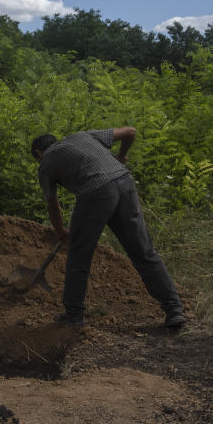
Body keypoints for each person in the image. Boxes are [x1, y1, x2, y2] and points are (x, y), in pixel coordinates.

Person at [30, 127, 187, 329]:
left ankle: (74, 316)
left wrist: (60, 231)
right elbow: (131, 132)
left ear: (39, 154)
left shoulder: (45, 165)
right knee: (143, 251)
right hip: (125, 182)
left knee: (79, 256)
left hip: (95, 193)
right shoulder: (83, 136)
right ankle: (174, 310)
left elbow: (52, 202)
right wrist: (121, 156)